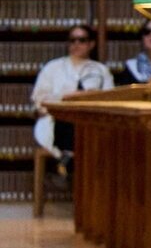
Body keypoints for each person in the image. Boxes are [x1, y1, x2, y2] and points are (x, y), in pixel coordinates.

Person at [32, 23, 113, 166]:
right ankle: (69, 160)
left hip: (90, 122)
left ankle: (70, 163)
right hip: (57, 121)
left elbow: (110, 101)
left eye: (82, 40)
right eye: (72, 40)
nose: (76, 44)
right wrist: (65, 97)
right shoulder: (52, 67)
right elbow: (39, 98)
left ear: (91, 44)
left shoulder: (100, 70)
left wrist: (90, 97)